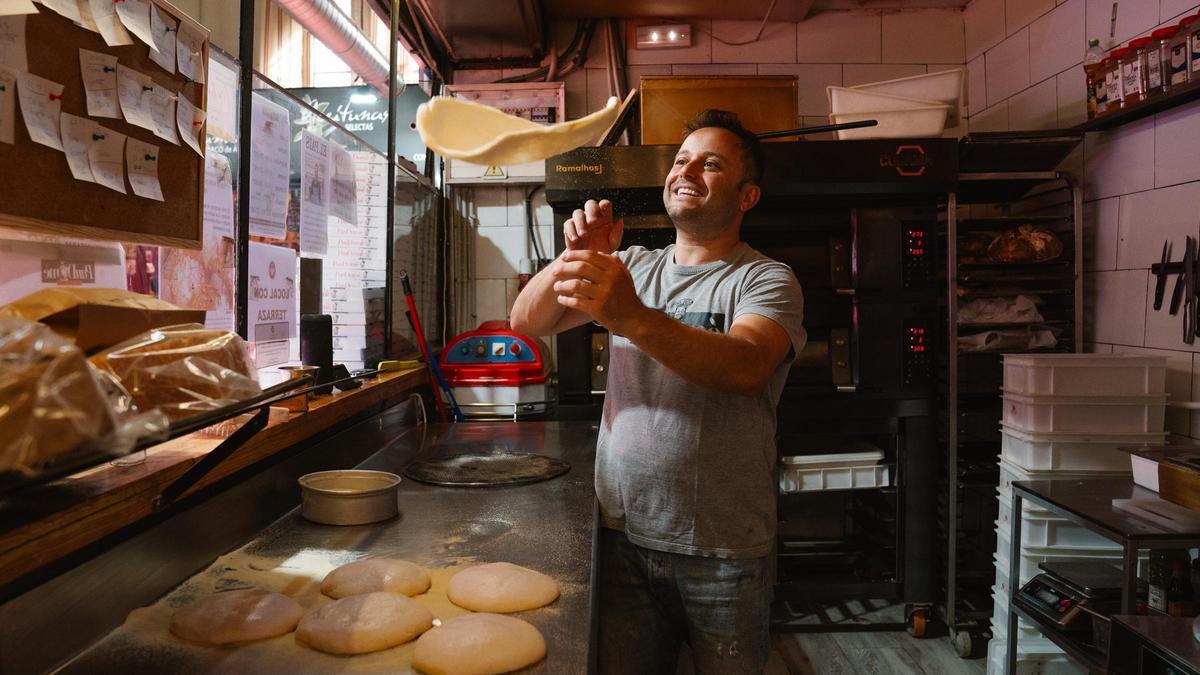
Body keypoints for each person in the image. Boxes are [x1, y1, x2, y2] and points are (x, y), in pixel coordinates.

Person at [510, 109, 805, 674]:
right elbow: (529, 321)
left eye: (710, 163)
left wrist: (630, 315)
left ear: (747, 197)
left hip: (725, 549)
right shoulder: (632, 268)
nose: (686, 170)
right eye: (680, 160)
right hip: (623, 538)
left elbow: (745, 366)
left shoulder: (765, 279)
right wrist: (577, 257)